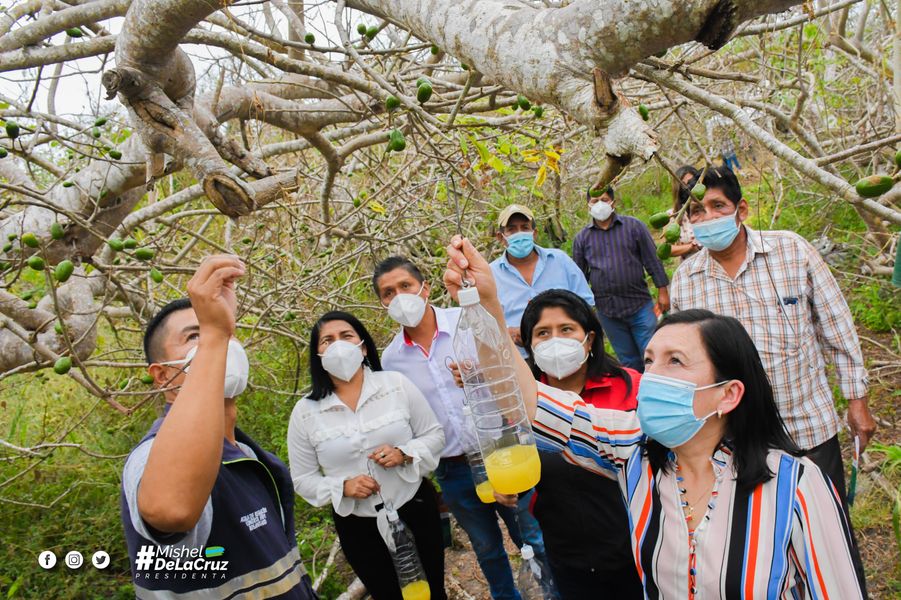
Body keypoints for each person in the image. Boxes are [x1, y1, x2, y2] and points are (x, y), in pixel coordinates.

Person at [442, 238, 865, 598]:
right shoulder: (634, 452)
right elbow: (527, 399)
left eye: (675, 361)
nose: (652, 377)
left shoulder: (798, 487)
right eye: (649, 361)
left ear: (728, 393)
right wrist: (488, 306)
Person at [670, 166, 873, 591]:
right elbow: (686, 363)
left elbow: (837, 327)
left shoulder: (791, 251)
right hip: (738, 438)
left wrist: (857, 400)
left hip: (807, 428)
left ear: (741, 209)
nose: (707, 217)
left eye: (718, 206)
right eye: (697, 211)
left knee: (829, 538)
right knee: (762, 539)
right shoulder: (687, 280)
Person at [121, 255, 317, 598]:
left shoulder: (247, 454)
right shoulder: (152, 457)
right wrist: (213, 335)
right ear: (162, 375)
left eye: (227, 333)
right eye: (194, 335)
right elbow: (171, 508)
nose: (223, 343)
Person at [374, 256, 546, 600]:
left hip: (502, 448)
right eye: (388, 293)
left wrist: (479, 376)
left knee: (532, 536)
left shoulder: (467, 323)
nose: (399, 297)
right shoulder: (391, 360)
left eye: (405, 286)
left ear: (424, 288)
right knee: (487, 548)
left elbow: (511, 373)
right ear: (382, 303)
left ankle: (549, 591)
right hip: (452, 468)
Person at [287, 311, 447, 600]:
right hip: (357, 526)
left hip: (415, 507)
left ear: (362, 347)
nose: (338, 345)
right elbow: (302, 479)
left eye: (346, 336)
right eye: (327, 340)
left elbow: (434, 435)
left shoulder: (396, 384)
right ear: (318, 355)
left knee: (433, 592)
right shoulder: (305, 412)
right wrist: (343, 487)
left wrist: (404, 454)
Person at [519, 289, 643, 599]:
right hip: (566, 553)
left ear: (589, 339)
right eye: (543, 333)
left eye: (566, 329)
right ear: (530, 346)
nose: (555, 340)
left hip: (635, 550)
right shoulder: (522, 404)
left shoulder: (630, 387)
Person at [572, 185, 670, 371]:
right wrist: (581, 310)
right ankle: (636, 389)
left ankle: (658, 386)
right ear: (588, 206)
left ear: (613, 202)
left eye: (604, 200)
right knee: (628, 361)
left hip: (640, 306)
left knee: (652, 355)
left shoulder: (634, 227)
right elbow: (579, 277)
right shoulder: (582, 238)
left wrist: (663, 291)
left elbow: (652, 259)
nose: (600, 204)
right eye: (595, 201)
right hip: (607, 312)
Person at [489, 203, 594, 353]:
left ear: (534, 233)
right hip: (520, 358)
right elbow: (484, 321)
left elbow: (586, 302)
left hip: (566, 350)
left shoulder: (560, 260)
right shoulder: (491, 274)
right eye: (512, 229)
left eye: (525, 227)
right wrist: (508, 332)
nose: (519, 234)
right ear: (501, 237)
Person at [668, 165, 701, 260]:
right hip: (690, 265)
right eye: (683, 184)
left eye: (691, 182)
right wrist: (691, 247)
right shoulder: (672, 215)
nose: (687, 188)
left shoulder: (707, 209)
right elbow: (668, 249)